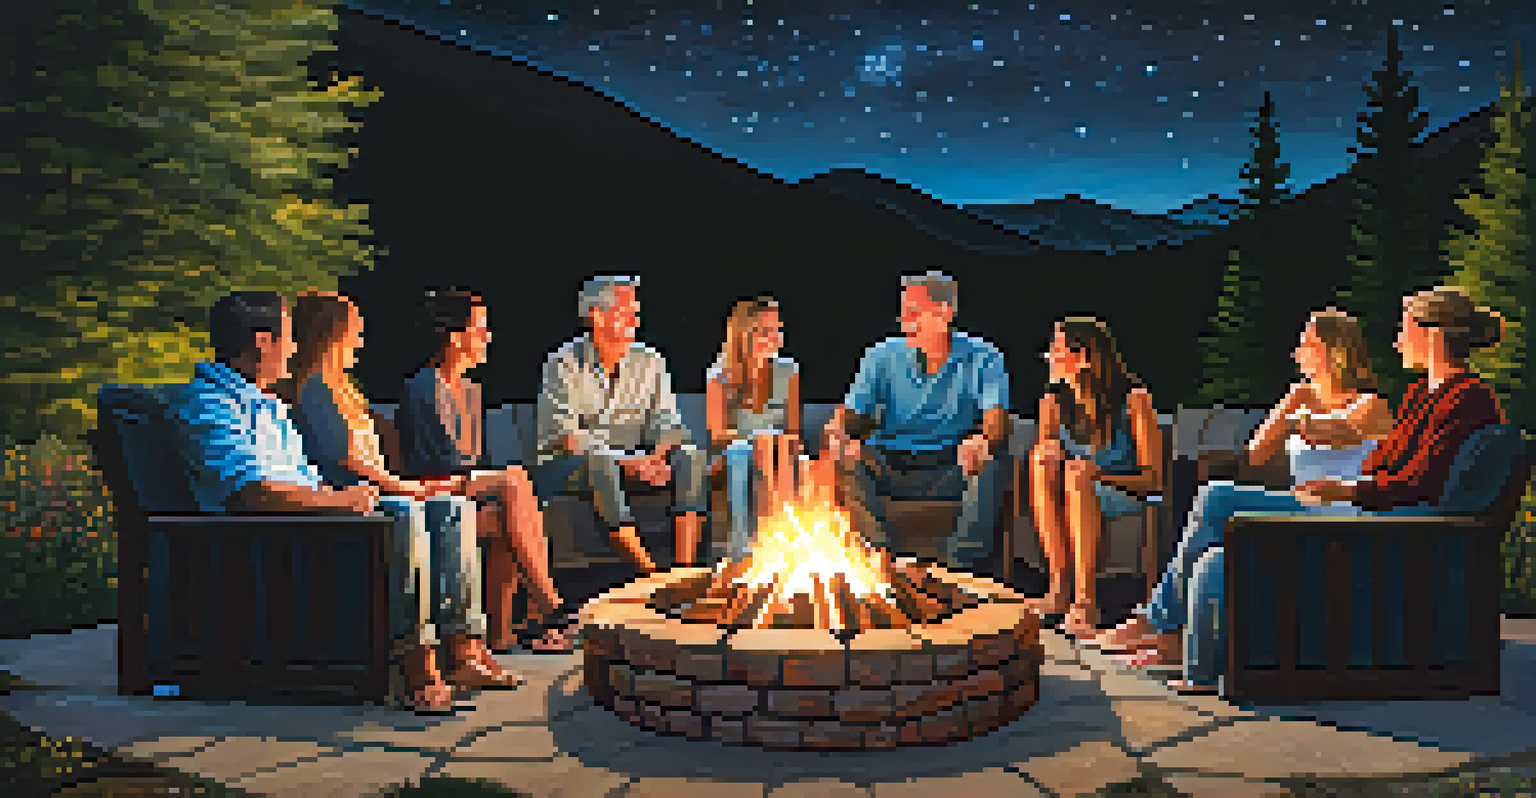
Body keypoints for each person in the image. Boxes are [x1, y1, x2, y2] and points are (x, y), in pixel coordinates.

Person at [1093, 286, 1507, 691]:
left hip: (1375, 526)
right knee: (1214, 552)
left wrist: (1347, 490)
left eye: (1405, 328)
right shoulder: (1423, 395)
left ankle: (1156, 620)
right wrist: (1340, 479)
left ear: (1433, 334)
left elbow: (1421, 482)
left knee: (1217, 496)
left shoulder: (1465, 399)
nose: (1398, 340)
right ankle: (1177, 641)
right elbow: (1384, 464)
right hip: (1365, 513)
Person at [168, 290, 517, 715]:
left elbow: (302, 477)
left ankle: (464, 650)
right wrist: (338, 501)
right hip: (276, 539)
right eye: (289, 337)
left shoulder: (269, 405)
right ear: (262, 342)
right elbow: (250, 492)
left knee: (449, 508)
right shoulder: (209, 405)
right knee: (403, 512)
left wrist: (348, 497)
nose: (293, 348)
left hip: (312, 521)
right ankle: (416, 665)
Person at [388, 288, 580, 654]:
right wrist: (493, 481)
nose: (488, 338)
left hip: (465, 493)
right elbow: (439, 466)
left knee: (508, 514)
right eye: (480, 329)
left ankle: (502, 634)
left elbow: (473, 464)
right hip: (431, 496)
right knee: (514, 481)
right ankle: (549, 609)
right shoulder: (424, 388)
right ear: (454, 338)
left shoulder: (471, 391)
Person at [821, 270, 1013, 575]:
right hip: (889, 463)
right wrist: (838, 433)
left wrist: (984, 440)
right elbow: (850, 415)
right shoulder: (881, 355)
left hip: (950, 466)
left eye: (914, 312)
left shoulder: (984, 356)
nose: (904, 322)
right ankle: (881, 563)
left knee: (994, 460)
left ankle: (959, 570)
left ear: (944, 314)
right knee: (843, 458)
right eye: (903, 313)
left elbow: (997, 423)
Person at [534, 276, 710, 573]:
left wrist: (658, 457)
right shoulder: (563, 363)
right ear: (596, 316)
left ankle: (685, 569)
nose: (635, 318)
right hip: (567, 466)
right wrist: (627, 462)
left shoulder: (651, 361)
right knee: (600, 460)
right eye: (624, 310)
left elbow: (666, 421)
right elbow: (567, 438)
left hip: (634, 460)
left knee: (691, 457)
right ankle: (649, 572)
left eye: (635, 310)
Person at [1027, 317, 1165, 639]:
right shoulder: (1053, 403)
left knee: (1078, 477)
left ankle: (1086, 602)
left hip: (1124, 494)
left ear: (1084, 357)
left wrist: (1098, 474)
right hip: (1073, 488)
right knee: (1042, 462)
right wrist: (1048, 452)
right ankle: (1059, 586)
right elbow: (1049, 464)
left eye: (1057, 349)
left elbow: (1154, 479)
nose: (1048, 356)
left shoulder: (1133, 400)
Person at [705, 296, 802, 560]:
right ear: (743, 335)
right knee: (741, 452)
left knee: (781, 451)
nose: (776, 338)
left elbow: (794, 431)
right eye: (765, 331)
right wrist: (758, 439)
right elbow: (718, 435)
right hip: (734, 453)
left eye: (778, 329)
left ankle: (783, 544)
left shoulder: (789, 371)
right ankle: (741, 548)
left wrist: (773, 441)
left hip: (778, 450)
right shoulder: (719, 375)